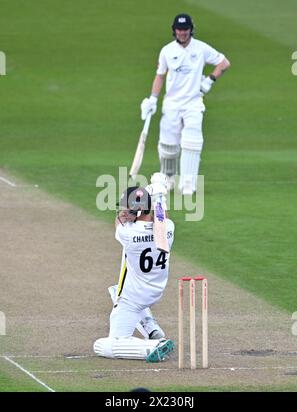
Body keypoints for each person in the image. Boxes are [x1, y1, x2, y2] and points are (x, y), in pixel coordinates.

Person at [141, 13, 231, 195]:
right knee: (168, 146)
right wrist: (152, 99)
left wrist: (210, 80)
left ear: (191, 29)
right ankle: (167, 180)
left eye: (185, 29)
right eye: (179, 29)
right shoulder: (167, 51)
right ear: (174, 31)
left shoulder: (201, 48)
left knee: (192, 142)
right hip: (172, 104)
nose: (182, 33)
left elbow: (224, 63)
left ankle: (188, 185)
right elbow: (160, 75)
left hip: (193, 103)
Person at [93, 175, 175, 362]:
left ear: (136, 211)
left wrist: (125, 213)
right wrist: (158, 194)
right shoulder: (169, 228)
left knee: (103, 345)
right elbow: (161, 217)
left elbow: (119, 222)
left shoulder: (128, 233)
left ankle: (154, 346)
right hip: (156, 288)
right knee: (115, 290)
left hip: (133, 297)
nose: (123, 211)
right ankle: (151, 328)